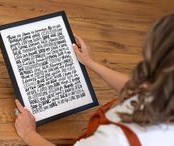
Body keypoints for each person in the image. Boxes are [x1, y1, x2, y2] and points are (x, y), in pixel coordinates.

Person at [13, 13, 174, 146]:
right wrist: (90, 63)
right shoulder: (167, 95)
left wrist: (29, 134)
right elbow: (137, 88)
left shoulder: (115, 139)